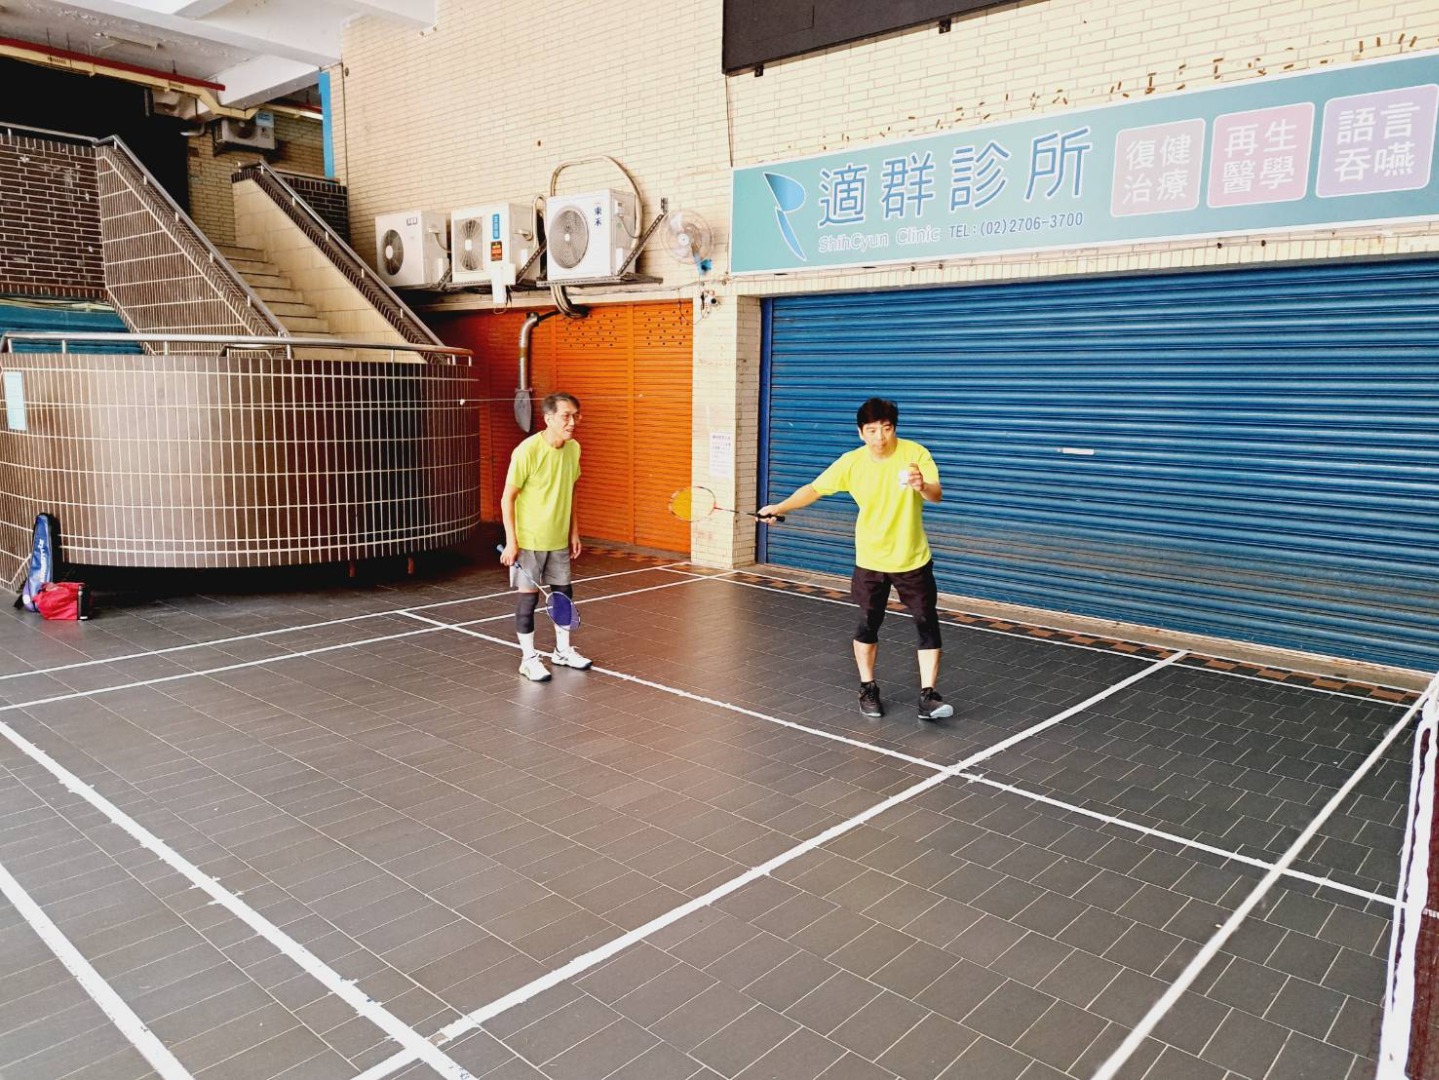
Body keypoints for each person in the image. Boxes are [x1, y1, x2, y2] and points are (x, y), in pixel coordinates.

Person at [759, 397, 953, 721]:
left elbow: (936, 495)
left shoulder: (915, 454)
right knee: (867, 625)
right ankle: (868, 688)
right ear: (861, 432)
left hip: (912, 558)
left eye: (886, 429)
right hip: (870, 559)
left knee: (927, 624)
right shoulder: (851, 463)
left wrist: (922, 485)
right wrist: (778, 507)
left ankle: (928, 697)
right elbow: (814, 489)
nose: (880, 437)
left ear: (894, 429)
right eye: (872, 430)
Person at [500, 392, 592, 681]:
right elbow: (507, 498)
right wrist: (512, 542)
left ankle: (562, 651)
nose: (572, 422)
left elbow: (571, 490)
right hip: (529, 541)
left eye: (576, 415)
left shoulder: (573, 449)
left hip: (558, 539)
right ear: (549, 418)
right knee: (528, 601)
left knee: (563, 596)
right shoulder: (527, 451)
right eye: (566, 416)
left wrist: (573, 531)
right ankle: (528, 659)